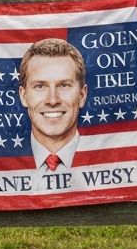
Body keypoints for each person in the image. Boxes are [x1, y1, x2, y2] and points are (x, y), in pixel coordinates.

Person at [17, 38, 88, 171]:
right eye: (40, 86)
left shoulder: (114, 158)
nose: (53, 100)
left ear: (82, 95)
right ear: (23, 96)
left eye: (64, 85)